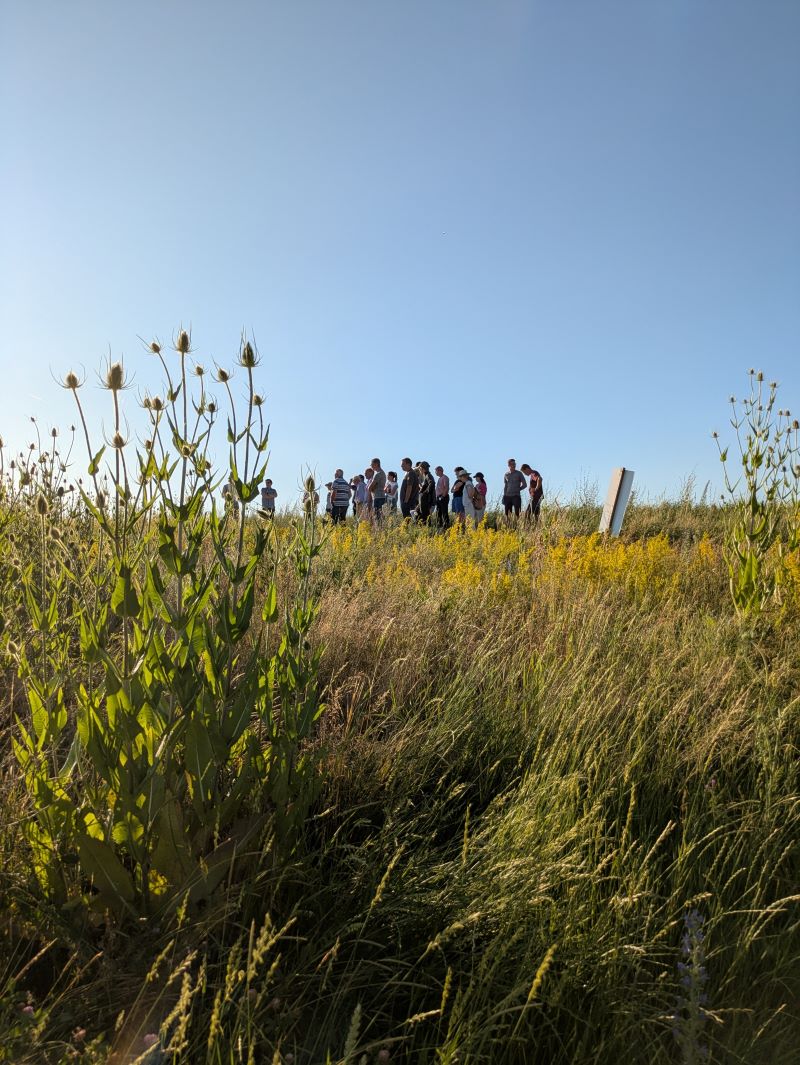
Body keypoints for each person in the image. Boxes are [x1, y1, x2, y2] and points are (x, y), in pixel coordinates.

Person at [369, 458, 387, 522]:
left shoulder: (378, 474)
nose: (371, 466)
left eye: (371, 464)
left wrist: (372, 489)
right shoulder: (383, 473)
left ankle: (380, 530)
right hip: (381, 496)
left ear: (376, 464)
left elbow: (370, 487)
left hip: (378, 497)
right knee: (380, 516)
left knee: (377, 516)